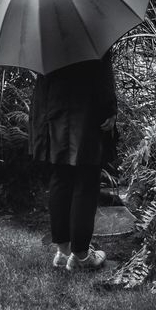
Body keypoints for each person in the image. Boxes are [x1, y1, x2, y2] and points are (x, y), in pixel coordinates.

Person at [28, 49, 117, 271]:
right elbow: (101, 73)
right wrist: (110, 109)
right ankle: (80, 255)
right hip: (85, 108)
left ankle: (63, 251)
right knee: (86, 179)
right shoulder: (92, 26)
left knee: (60, 176)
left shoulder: (43, 27)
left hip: (53, 106)